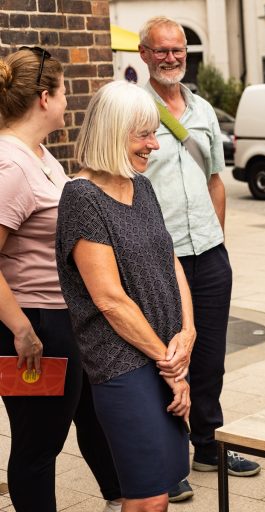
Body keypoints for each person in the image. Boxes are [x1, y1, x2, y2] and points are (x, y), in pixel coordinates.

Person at [137, 15, 260, 501]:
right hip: (159, 258)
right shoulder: (134, 110)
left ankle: (208, 444)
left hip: (207, 253)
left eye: (179, 50)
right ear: (143, 55)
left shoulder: (204, 110)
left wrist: (220, 240)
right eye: (162, 50)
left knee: (210, 356)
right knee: (167, 358)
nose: (171, 58)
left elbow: (215, 180)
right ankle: (169, 460)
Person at [55, 80, 194, 511]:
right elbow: (109, 300)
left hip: (164, 354)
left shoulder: (141, 186)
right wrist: (168, 363)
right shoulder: (81, 197)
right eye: (144, 134)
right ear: (114, 132)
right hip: (124, 363)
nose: (154, 144)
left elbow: (171, 262)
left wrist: (187, 333)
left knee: (166, 486)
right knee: (146, 495)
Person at [0, 47, 122, 512]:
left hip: (66, 318)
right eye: (65, 90)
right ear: (45, 97)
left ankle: (122, 498)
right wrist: (22, 332)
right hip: (35, 325)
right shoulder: (10, 165)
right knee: (38, 444)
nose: (69, 100)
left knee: (93, 417)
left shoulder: (39, 154)